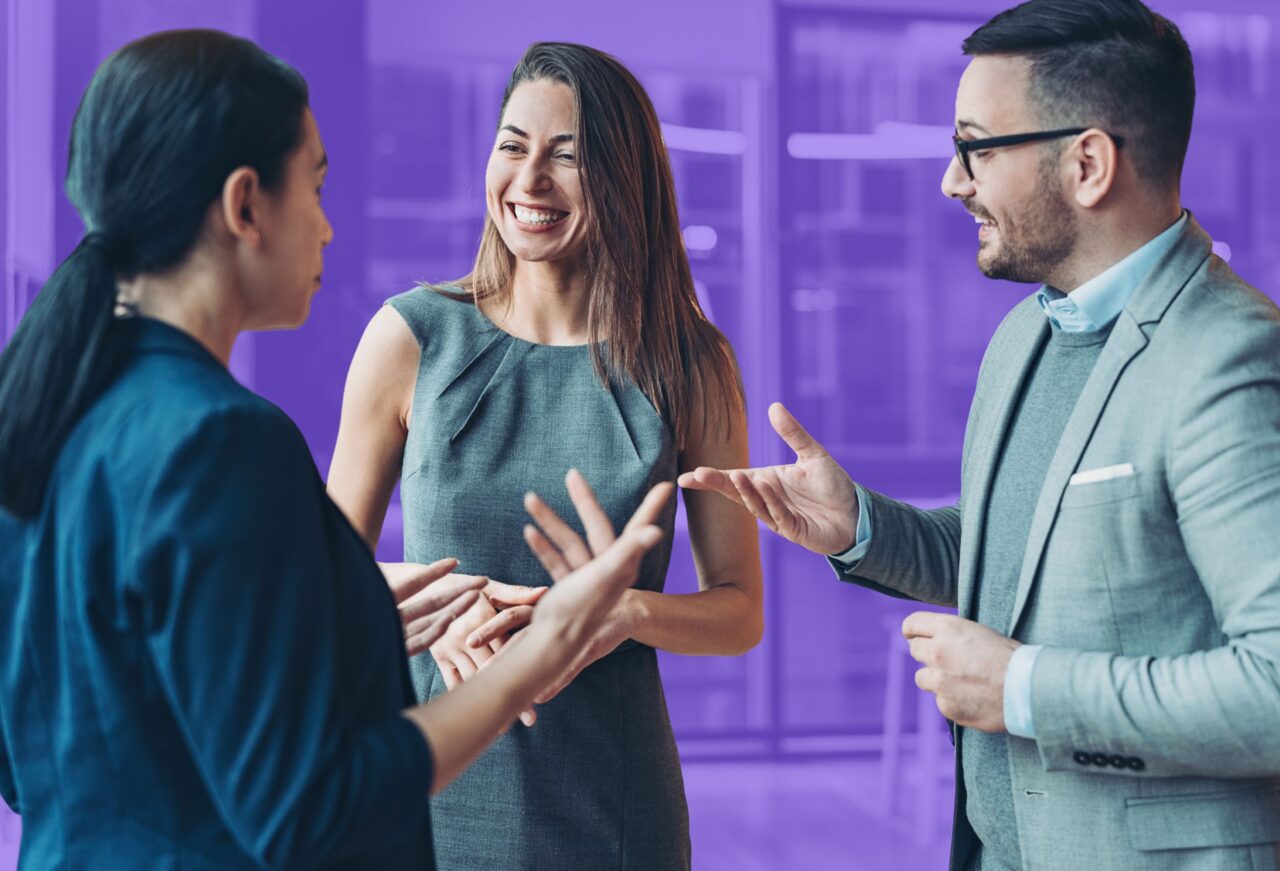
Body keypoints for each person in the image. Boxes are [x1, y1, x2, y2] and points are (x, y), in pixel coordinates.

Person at [0, 29, 669, 870]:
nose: (325, 228)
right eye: (314, 188)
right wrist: (542, 650)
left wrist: (339, 614)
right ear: (246, 206)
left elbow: (30, 756)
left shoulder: (44, 403)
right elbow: (312, 811)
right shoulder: (225, 440)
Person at [680, 1, 1280, 868]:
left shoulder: (1229, 358)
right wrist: (862, 526)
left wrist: (1023, 689)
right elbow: (1024, 564)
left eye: (977, 148)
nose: (952, 181)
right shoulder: (1026, 334)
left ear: (1087, 164)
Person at [327, 41, 762, 871]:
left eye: (567, 156)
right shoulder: (410, 338)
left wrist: (623, 612)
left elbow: (740, 611)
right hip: (427, 786)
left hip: (614, 804)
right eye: (513, 145)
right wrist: (433, 602)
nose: (529, 181)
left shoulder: (691, 364)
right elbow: (319, 583)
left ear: (625, 178)